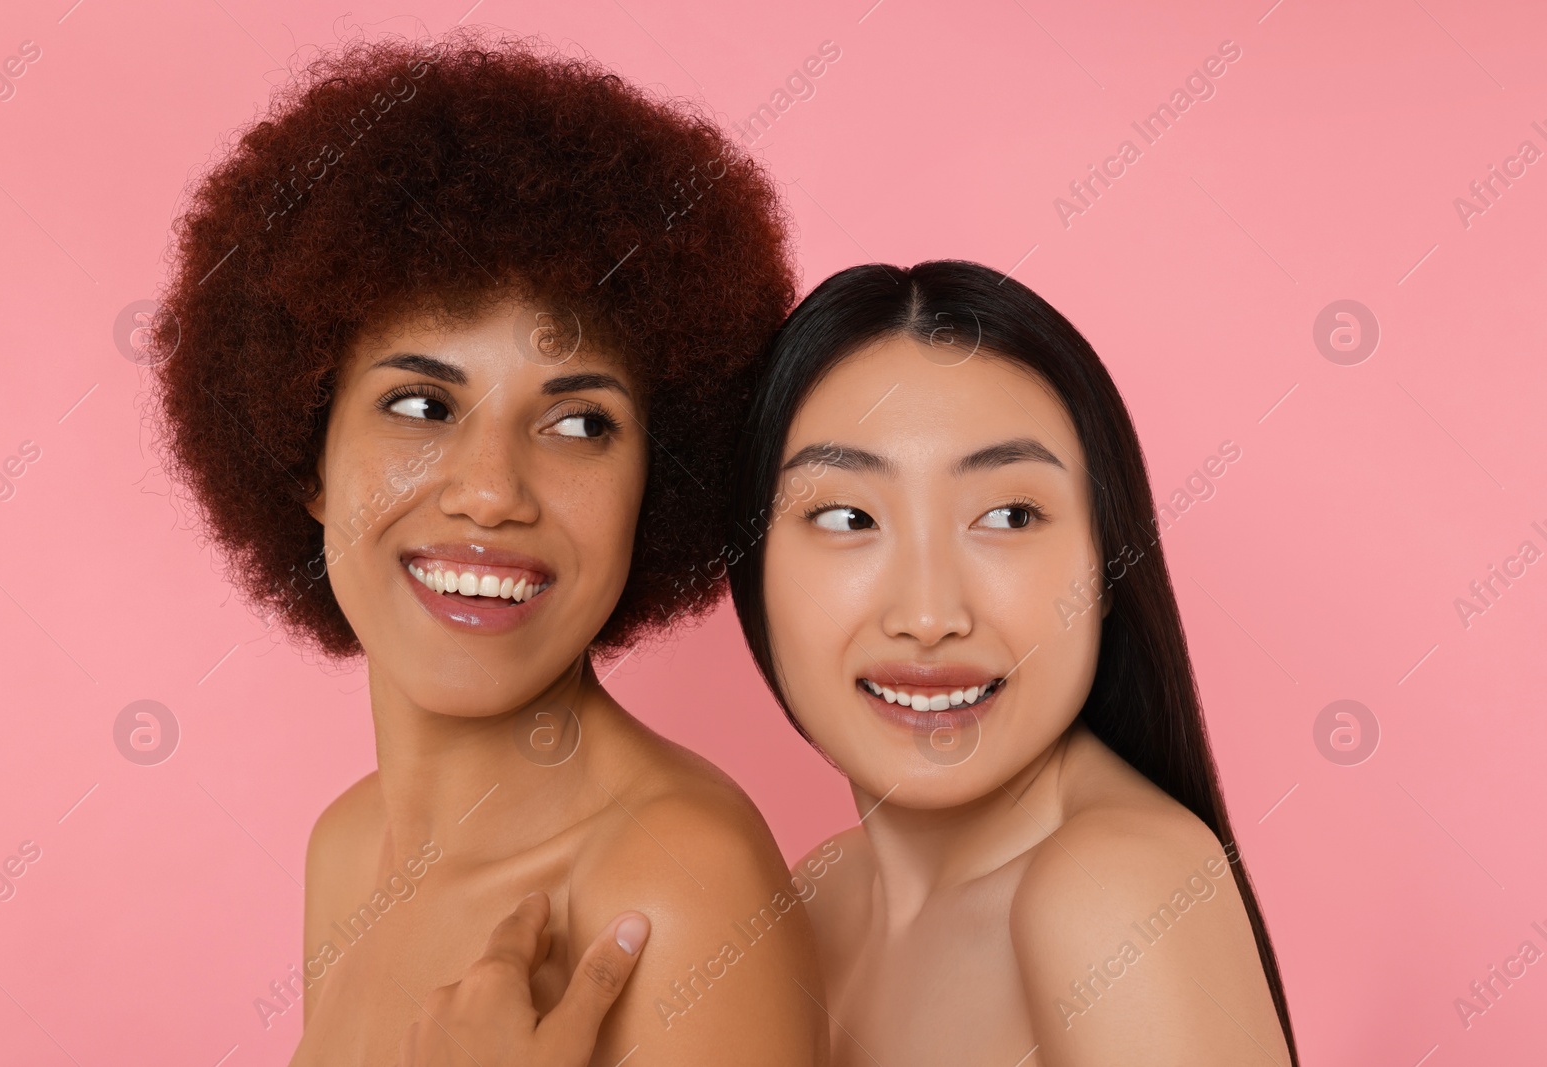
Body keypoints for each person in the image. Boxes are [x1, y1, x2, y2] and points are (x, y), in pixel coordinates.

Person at [406, 260, 1300, 1066]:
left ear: (1107, 566)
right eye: (847, 519)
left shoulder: (1117, 890)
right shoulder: (820, 897)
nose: (927, 614)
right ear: (750, 571)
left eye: (1010, 517)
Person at [147, 30, 826, 1067]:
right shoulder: (348, 850)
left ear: (662, 479)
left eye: (577, 423)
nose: (491, 491)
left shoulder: (674, 884)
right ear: (305, 457)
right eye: (421, 404)